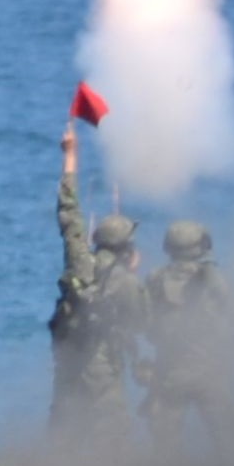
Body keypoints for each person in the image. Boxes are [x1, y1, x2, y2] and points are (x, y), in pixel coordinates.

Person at [50, 124, 145, 444]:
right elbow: (140, 321)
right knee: (114, 438)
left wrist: (70, 156)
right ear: (125, 249)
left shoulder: (79, 260)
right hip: (102, 367)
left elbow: (68, 213)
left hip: (68, 360)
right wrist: (132, 274)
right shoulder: (125, 282)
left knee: (63, 432)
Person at [141, 218, 233, 453]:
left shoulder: (155, 279)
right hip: (207, 366)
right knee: (223, 435)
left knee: (166, 439)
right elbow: (225, 316)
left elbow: (147, 322)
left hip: (170, 369)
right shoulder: (212, 278)